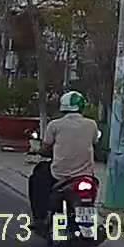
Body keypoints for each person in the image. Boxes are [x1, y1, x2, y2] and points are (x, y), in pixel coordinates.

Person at [29, 90, 98, 223]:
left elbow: (46, 148)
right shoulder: (92, 124)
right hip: (85, 175)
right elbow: (95, 142)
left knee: (37, 179)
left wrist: (38, 151)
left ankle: (39, 218)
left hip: (59, 174)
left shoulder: (55, 125)